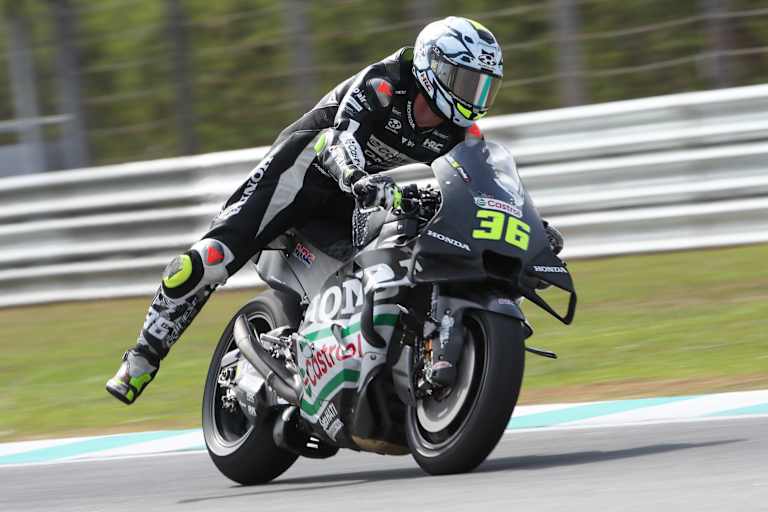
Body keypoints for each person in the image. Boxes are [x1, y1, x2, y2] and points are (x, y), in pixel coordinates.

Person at [106, 16, 562, 404]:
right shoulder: (385, 83)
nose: (475, 96)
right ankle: (143, 356)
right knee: (208, 260)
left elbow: (487, 182)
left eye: (485, 86)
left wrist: (531, 225)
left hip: (354, 195)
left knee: (388, 257)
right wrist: (359, 177)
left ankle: (341, 357)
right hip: (304, 170)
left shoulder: (463, 132)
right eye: (466, 81)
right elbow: (342, 139)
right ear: (432, 67)